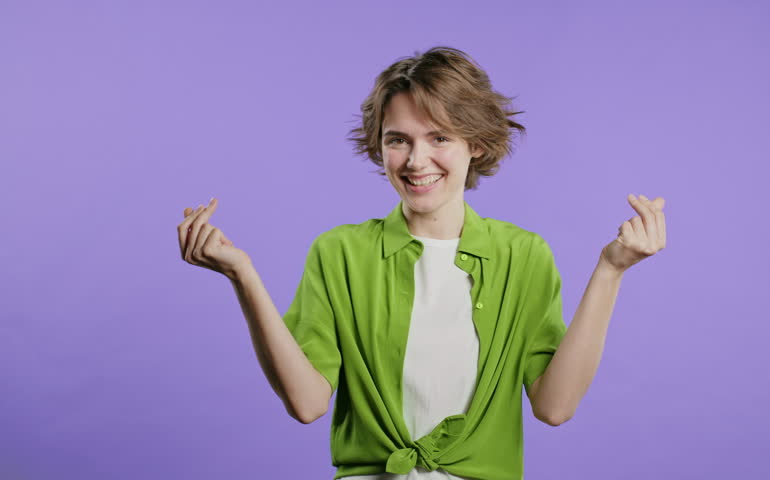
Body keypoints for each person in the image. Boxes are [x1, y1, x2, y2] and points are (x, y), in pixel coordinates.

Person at [177, 46, 666, 480]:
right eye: (398, 139)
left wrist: (611, 270)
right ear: (380, 145)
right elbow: (306, 404)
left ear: (475, 144)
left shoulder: (524, 255)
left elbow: (555, 407)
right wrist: (243, 276)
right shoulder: (340, 252)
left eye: (439, 138)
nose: (416, 160)